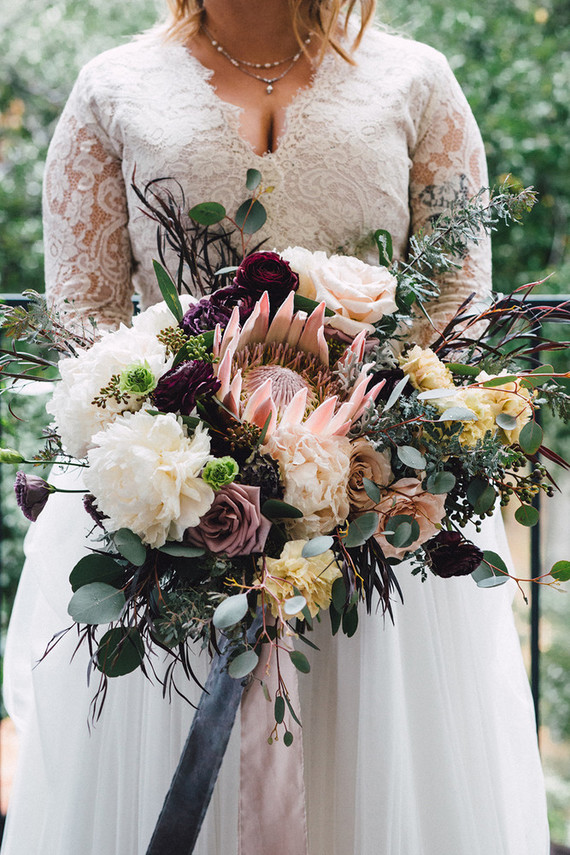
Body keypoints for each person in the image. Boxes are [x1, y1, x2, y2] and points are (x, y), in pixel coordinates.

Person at [1, 1, 550, 853]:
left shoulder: (416, 80)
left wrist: (373, 456)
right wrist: (186, 460)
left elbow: (455, 325)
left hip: (379, 520)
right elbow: (88, 333)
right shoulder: (112, 88)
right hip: (179, 523)